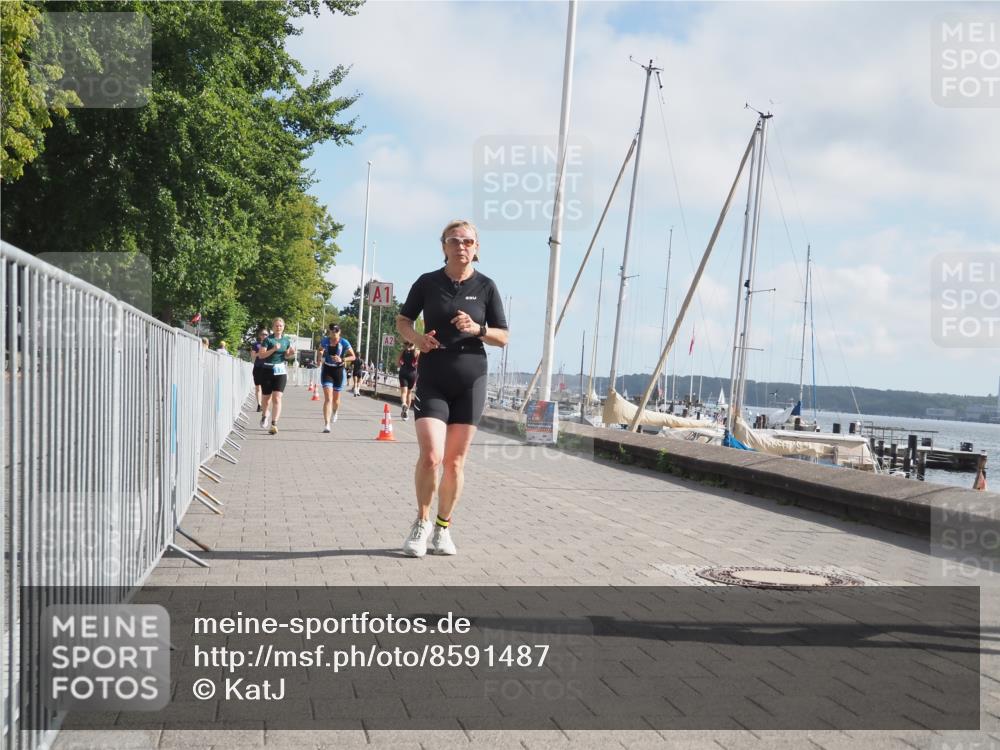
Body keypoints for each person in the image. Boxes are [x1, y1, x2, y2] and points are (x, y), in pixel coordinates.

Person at [396, 220, 508, 557]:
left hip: (471, 377)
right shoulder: (427, 283)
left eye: (468, 241)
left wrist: (477, 328)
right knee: (431, 456)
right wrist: (417, 338)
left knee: (455, 463)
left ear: (476, 248)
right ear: (443, 246)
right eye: (454, 241)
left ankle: (443, 528)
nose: (461, 246)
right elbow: (403, 320)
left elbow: (503, 336)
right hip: (434, 374)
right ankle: (421, 521)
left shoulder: (486, 286)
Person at [315, 323, 356, 432]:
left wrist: (342, 359)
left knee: (336, 399)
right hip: (327, 370)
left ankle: (335, 412)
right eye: (333, 331)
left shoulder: (344, 342)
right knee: (328, 398)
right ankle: (327, 424)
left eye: (336, 331)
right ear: (330, 332)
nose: (334, 333)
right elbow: (319, 349)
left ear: (340, 332)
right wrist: (319, 357)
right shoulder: (325, 341)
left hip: (338, 371)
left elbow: (353, 356)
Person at [258, 317, 295, 435]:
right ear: (273, 327)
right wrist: (273, 349)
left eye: (281, 326)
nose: (278, 328)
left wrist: (291, 353)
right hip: (267, 370)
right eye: (276, 326)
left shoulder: (286, 341)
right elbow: (261, 355)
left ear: (283, 327)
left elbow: (286, 356)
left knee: (277, 398)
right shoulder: (268, 340)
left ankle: (274, 424)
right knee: (266, 399)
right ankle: (264, 415)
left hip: (280, 371)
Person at [397, 341, 419, 420]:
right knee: (409, 393)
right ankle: (406, 413)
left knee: (403, 392)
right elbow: (418, 364)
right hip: (412, 373)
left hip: (403, 372)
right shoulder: (417, 352)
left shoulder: (402, 352)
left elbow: (398, 363)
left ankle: (403, 404)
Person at [251, 327, 269, 412]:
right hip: (258, 367)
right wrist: (260, 353)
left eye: (266, 334)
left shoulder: (270, 344)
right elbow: (253, 355)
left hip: (267, 367)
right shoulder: (256, 344)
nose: (264, 336)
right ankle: (259, 404)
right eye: (263, 334)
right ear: (260, 335)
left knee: (265, 387)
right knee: (258, 387)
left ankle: (264, 403)